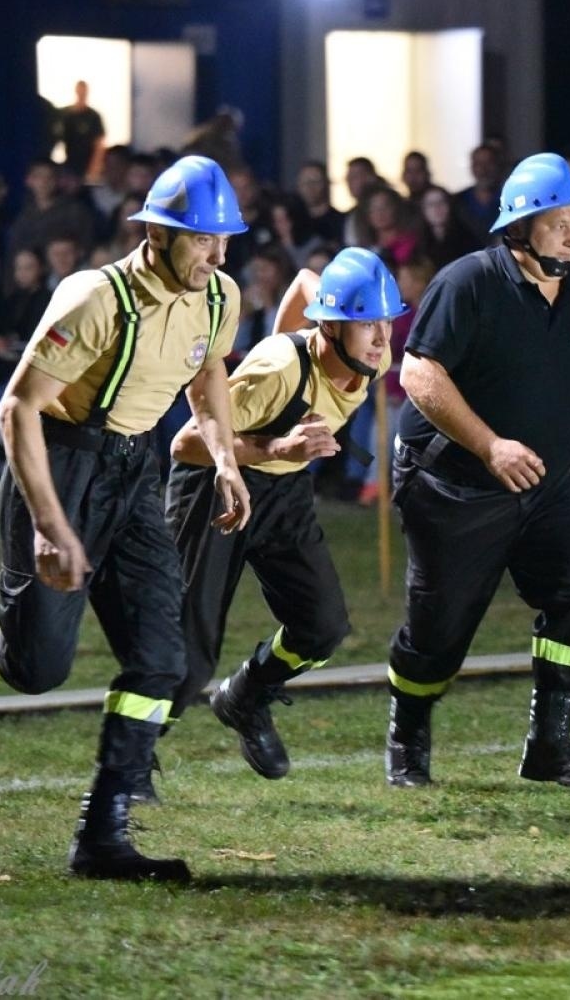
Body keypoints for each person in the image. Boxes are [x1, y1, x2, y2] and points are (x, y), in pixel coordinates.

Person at [0, 155, 251, 880]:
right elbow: (16, 407)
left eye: (224, 241)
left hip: (133, 473)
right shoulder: (95, 297)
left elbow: (209, 371)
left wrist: (225, 458)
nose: (215, 255)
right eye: (200, 239)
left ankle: (103, 835)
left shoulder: (219, 296)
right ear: (154, 232)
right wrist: (52, 524)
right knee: (37, 669)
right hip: (59, 465)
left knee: (162, 657)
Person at [385, 152, 570, 789]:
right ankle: (407, 736)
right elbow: (417, 373)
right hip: (455, 484)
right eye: (560, 223)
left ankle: (551, 745)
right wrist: (491, 445)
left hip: (547, 482)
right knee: (440, 634)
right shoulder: (468, 282)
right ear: (519, 227)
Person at [164, 248, 405, 779]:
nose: (384, 338)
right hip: (214, 486)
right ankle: (126, 766)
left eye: (388, 321)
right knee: (185, 658)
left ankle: (246, 696)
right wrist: (277, 443)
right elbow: (188, 444)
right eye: (368, 324)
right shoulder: (274, 372)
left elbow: (300, 281)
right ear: (332, 326)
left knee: (323, 627)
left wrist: (283, 443)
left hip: (282, 487)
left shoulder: (373, 357)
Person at [59, 80, 106, 181]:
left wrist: (94, 168)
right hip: (70, 164)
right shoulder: (66, 115)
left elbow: (99, 144)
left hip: (87, 164)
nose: (81, 93)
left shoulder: (93, 116)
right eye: (79, 90)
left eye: (83, 91)